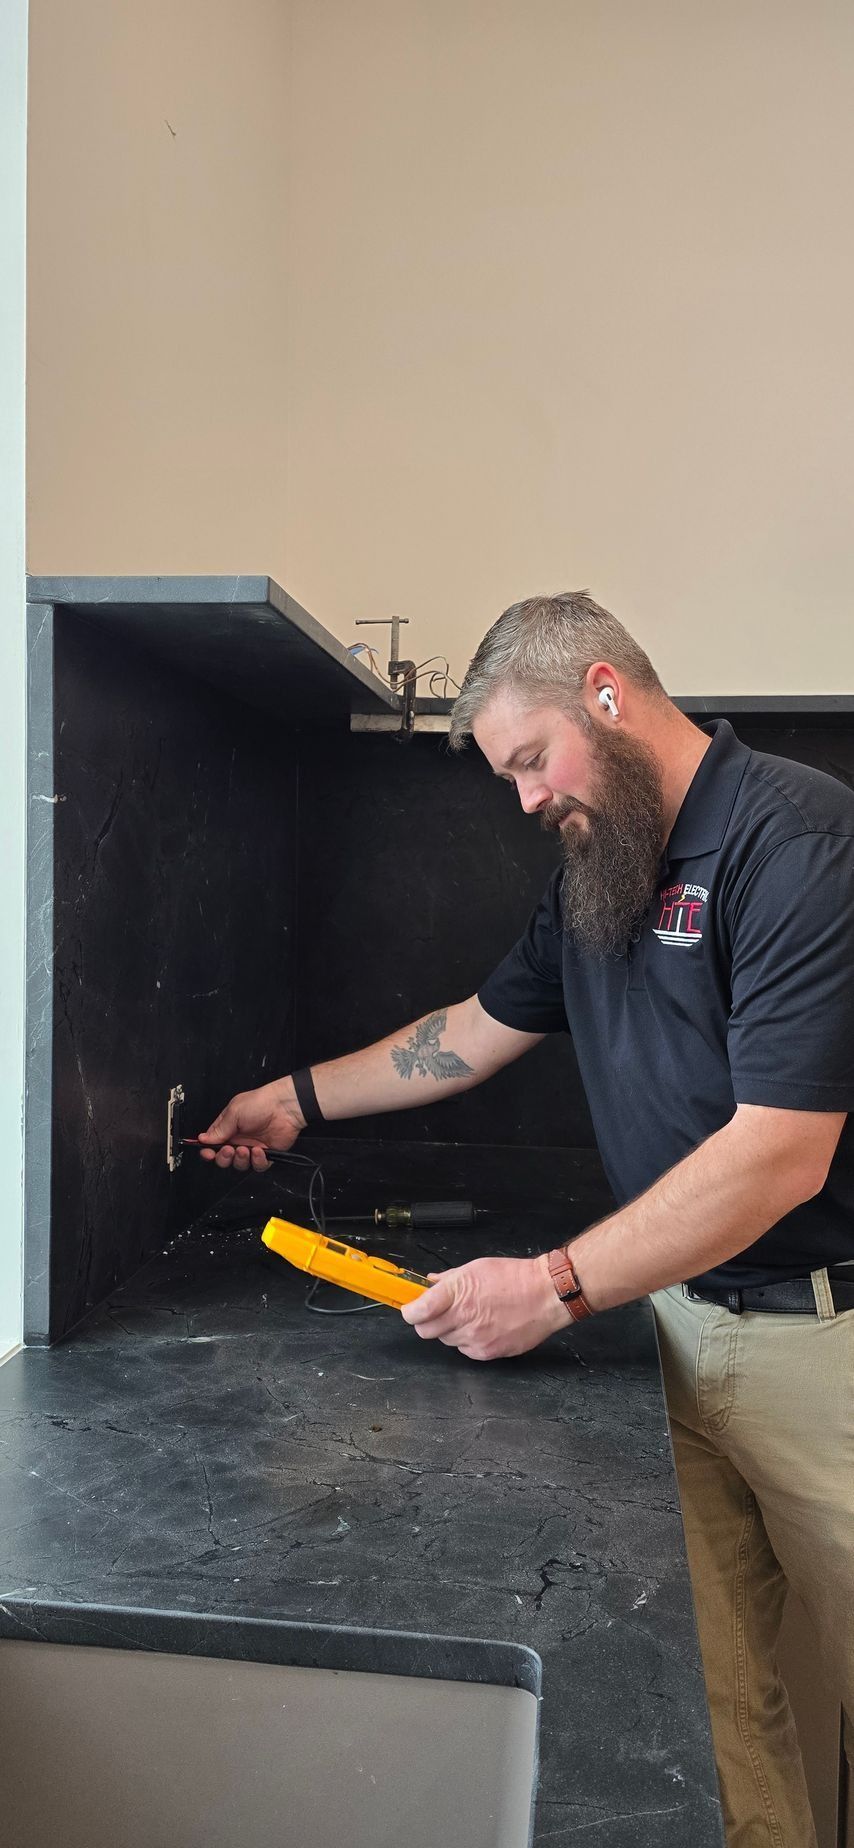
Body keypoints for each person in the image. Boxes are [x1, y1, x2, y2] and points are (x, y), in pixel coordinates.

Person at [201, 591, 854, 1848]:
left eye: (527, 759)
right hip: (664, 1331)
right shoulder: (599, 874)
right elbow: (468, 1036)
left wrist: (551, 1284)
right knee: (715, 1716)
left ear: (603, 694)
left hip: (820, 1354)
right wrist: (289, 1100)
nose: (522, 799)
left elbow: (775, 1157)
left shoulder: (799, 843)